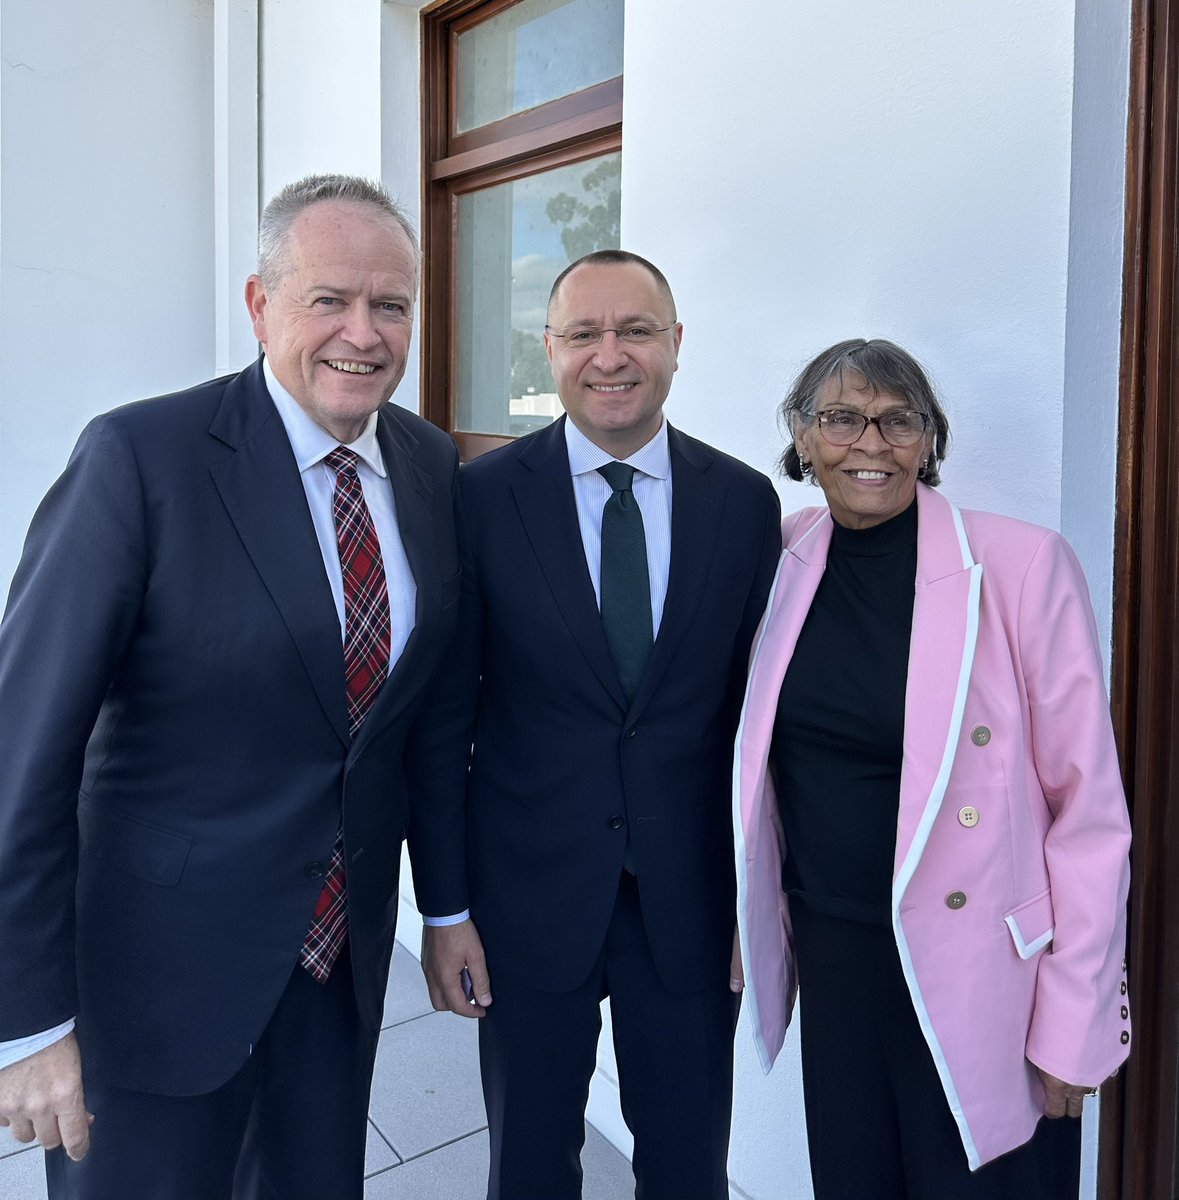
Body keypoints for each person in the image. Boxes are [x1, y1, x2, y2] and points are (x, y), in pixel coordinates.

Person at [0, 174, 460, 1199]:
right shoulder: (140, 459)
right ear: (260, 305)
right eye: (328, 299)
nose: (364, 332)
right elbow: (24, 750)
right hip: (153, 984)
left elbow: (417, 718)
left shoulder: (429, 466)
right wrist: (27, 1019)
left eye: (391, 304)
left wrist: (446, 906)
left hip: (337, 974)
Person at [409, 250, 781, 1199]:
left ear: (676, 344)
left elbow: (757, 721)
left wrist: (761, 896)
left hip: (689, 906)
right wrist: (443, 909)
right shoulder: (481, 497)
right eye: (583, 334)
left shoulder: (742, 504)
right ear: (550, 349)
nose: (609, 356)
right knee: (529, 1165)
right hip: (526, 900)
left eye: (635, 331)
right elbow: (445, 715)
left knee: (689, 1165)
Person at [733, 338, 1132, 1199]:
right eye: (840, 418)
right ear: (801, 438)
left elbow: (1089, 813)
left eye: (897, 420)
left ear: (929, 440)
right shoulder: (777, 559)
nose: (868, 443)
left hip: (983, 976)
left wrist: (1076, 1025)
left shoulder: (1021, 566)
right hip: (836, 967)